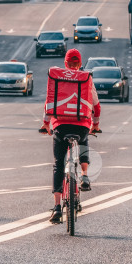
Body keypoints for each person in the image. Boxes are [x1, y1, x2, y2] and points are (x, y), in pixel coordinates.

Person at [40, 48, 101, 223]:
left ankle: (57, 207)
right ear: (80, 64)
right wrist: (95, 125)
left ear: (65, 63)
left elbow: (49, 104)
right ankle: (85, 176)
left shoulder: (57, 78)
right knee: (83, 141)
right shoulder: (86, 79)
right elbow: (96, 107)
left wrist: (46, 124)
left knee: (59, 164)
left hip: (60, 126)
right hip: (81, 125)